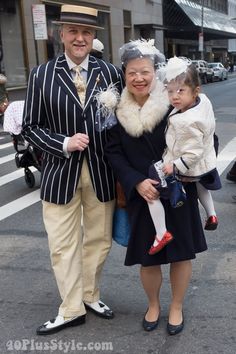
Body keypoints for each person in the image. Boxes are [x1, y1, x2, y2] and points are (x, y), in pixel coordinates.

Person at [22, 4, 124, 336]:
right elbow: (30, 127)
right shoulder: (41, 74)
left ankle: (90, 295)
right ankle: (70, 307)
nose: (80, 38)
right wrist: (63, 143)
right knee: (62, 243)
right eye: (73, 31)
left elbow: (120, 123)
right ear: (61, 34)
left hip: (101, 171)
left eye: (87, 33)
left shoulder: (109, 73)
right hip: (59, 172)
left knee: (98, 239)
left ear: (94, 37)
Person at [105, 39, 208, 335]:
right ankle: (153, 305)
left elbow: (201, 133)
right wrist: (136, 181)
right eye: (132, 72)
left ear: (155, 73)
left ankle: (176, 306)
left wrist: (185, 167)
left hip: (177, 187)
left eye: (145, 72)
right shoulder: (114, 107)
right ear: (124, 74)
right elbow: (112, 151)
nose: (139, 78)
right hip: (143, 191)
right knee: (147, 257)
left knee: (181, 252)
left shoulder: (174, 100)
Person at [148, 56, 221, 255]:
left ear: (196, 91)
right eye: (170, 91)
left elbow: (193, 151)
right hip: (204, 164)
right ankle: (212, 214)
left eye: (180, 91)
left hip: (186, 165)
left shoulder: (186, 120)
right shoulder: (202, 101)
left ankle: (161, 232)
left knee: (152, 188)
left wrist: (176, 165)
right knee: (200, 185)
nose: (174, 97)